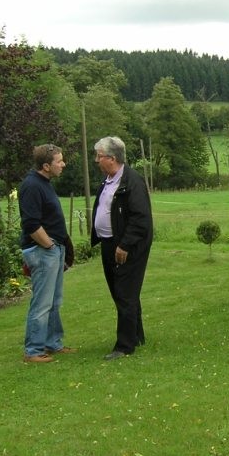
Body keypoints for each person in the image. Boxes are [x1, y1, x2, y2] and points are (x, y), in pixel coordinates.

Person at [91, 136, 154, 360]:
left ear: (112, 158)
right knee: (123, 292)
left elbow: (140, 218)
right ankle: (136, 334)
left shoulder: (131, 182)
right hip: (109, 243)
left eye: (99, 156)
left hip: (127, 246)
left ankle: (125, 346)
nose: (96, 160)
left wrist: (125, 244)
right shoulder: (109, 180)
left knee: (125, 293)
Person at [19, 143, 73, 363]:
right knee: (42, 302)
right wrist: (49, 246)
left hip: (53, 250)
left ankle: (52, 343)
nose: (63, 164)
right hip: (43, 252)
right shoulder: (31, 186)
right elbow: (31, 224)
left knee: (54, 301)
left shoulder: (44, 183)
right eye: (59, 161)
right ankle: (33, 350)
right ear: (46, 166)